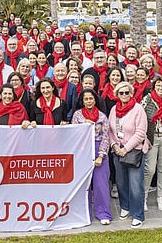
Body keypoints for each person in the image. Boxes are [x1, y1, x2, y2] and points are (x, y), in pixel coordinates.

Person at [108, 81, 148, 228]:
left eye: (127, 92)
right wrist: (114, 145)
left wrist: (126, 148)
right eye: (121, 93)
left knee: (135, 185)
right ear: (117, 95)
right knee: (121, 182)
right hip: (117, 151)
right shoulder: (113, 109)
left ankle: (138, 215)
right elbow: (110, 130)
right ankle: (125, 206)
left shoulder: (138, 109)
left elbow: (140, 133)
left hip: (134, 152)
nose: (124, 95)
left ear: (131, 93)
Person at [72, 89, 113, 225]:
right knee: (84, 185)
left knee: (101, 184)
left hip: (98, 150)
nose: (89, 101)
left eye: (91, 99)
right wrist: (84, 126)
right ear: (82, 101)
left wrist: (101, 155)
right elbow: (73, 134)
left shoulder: (102, 116)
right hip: (83, 151)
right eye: (86, 99)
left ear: (95, 100)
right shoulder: (77, 115)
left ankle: (103, 213)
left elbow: (106, 137)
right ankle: (84, 214)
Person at [141, 75, 162, 212]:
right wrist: (143, 137)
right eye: (158, 85)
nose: (161, 88)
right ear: (154, 87)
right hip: (151, 139)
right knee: (149, 169)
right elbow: (141, 118)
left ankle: (160, 196)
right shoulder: (147, 100)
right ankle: (144, 196)